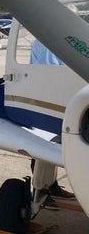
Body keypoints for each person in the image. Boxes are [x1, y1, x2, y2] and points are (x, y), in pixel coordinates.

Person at [28, 39, 75, 209]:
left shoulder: (55, 37)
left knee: (55, 142)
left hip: (52, 92)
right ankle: (41, 191)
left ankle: (51, 187)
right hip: (49, 95)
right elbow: (53, 71)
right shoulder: (48, 40)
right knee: (45, 145)